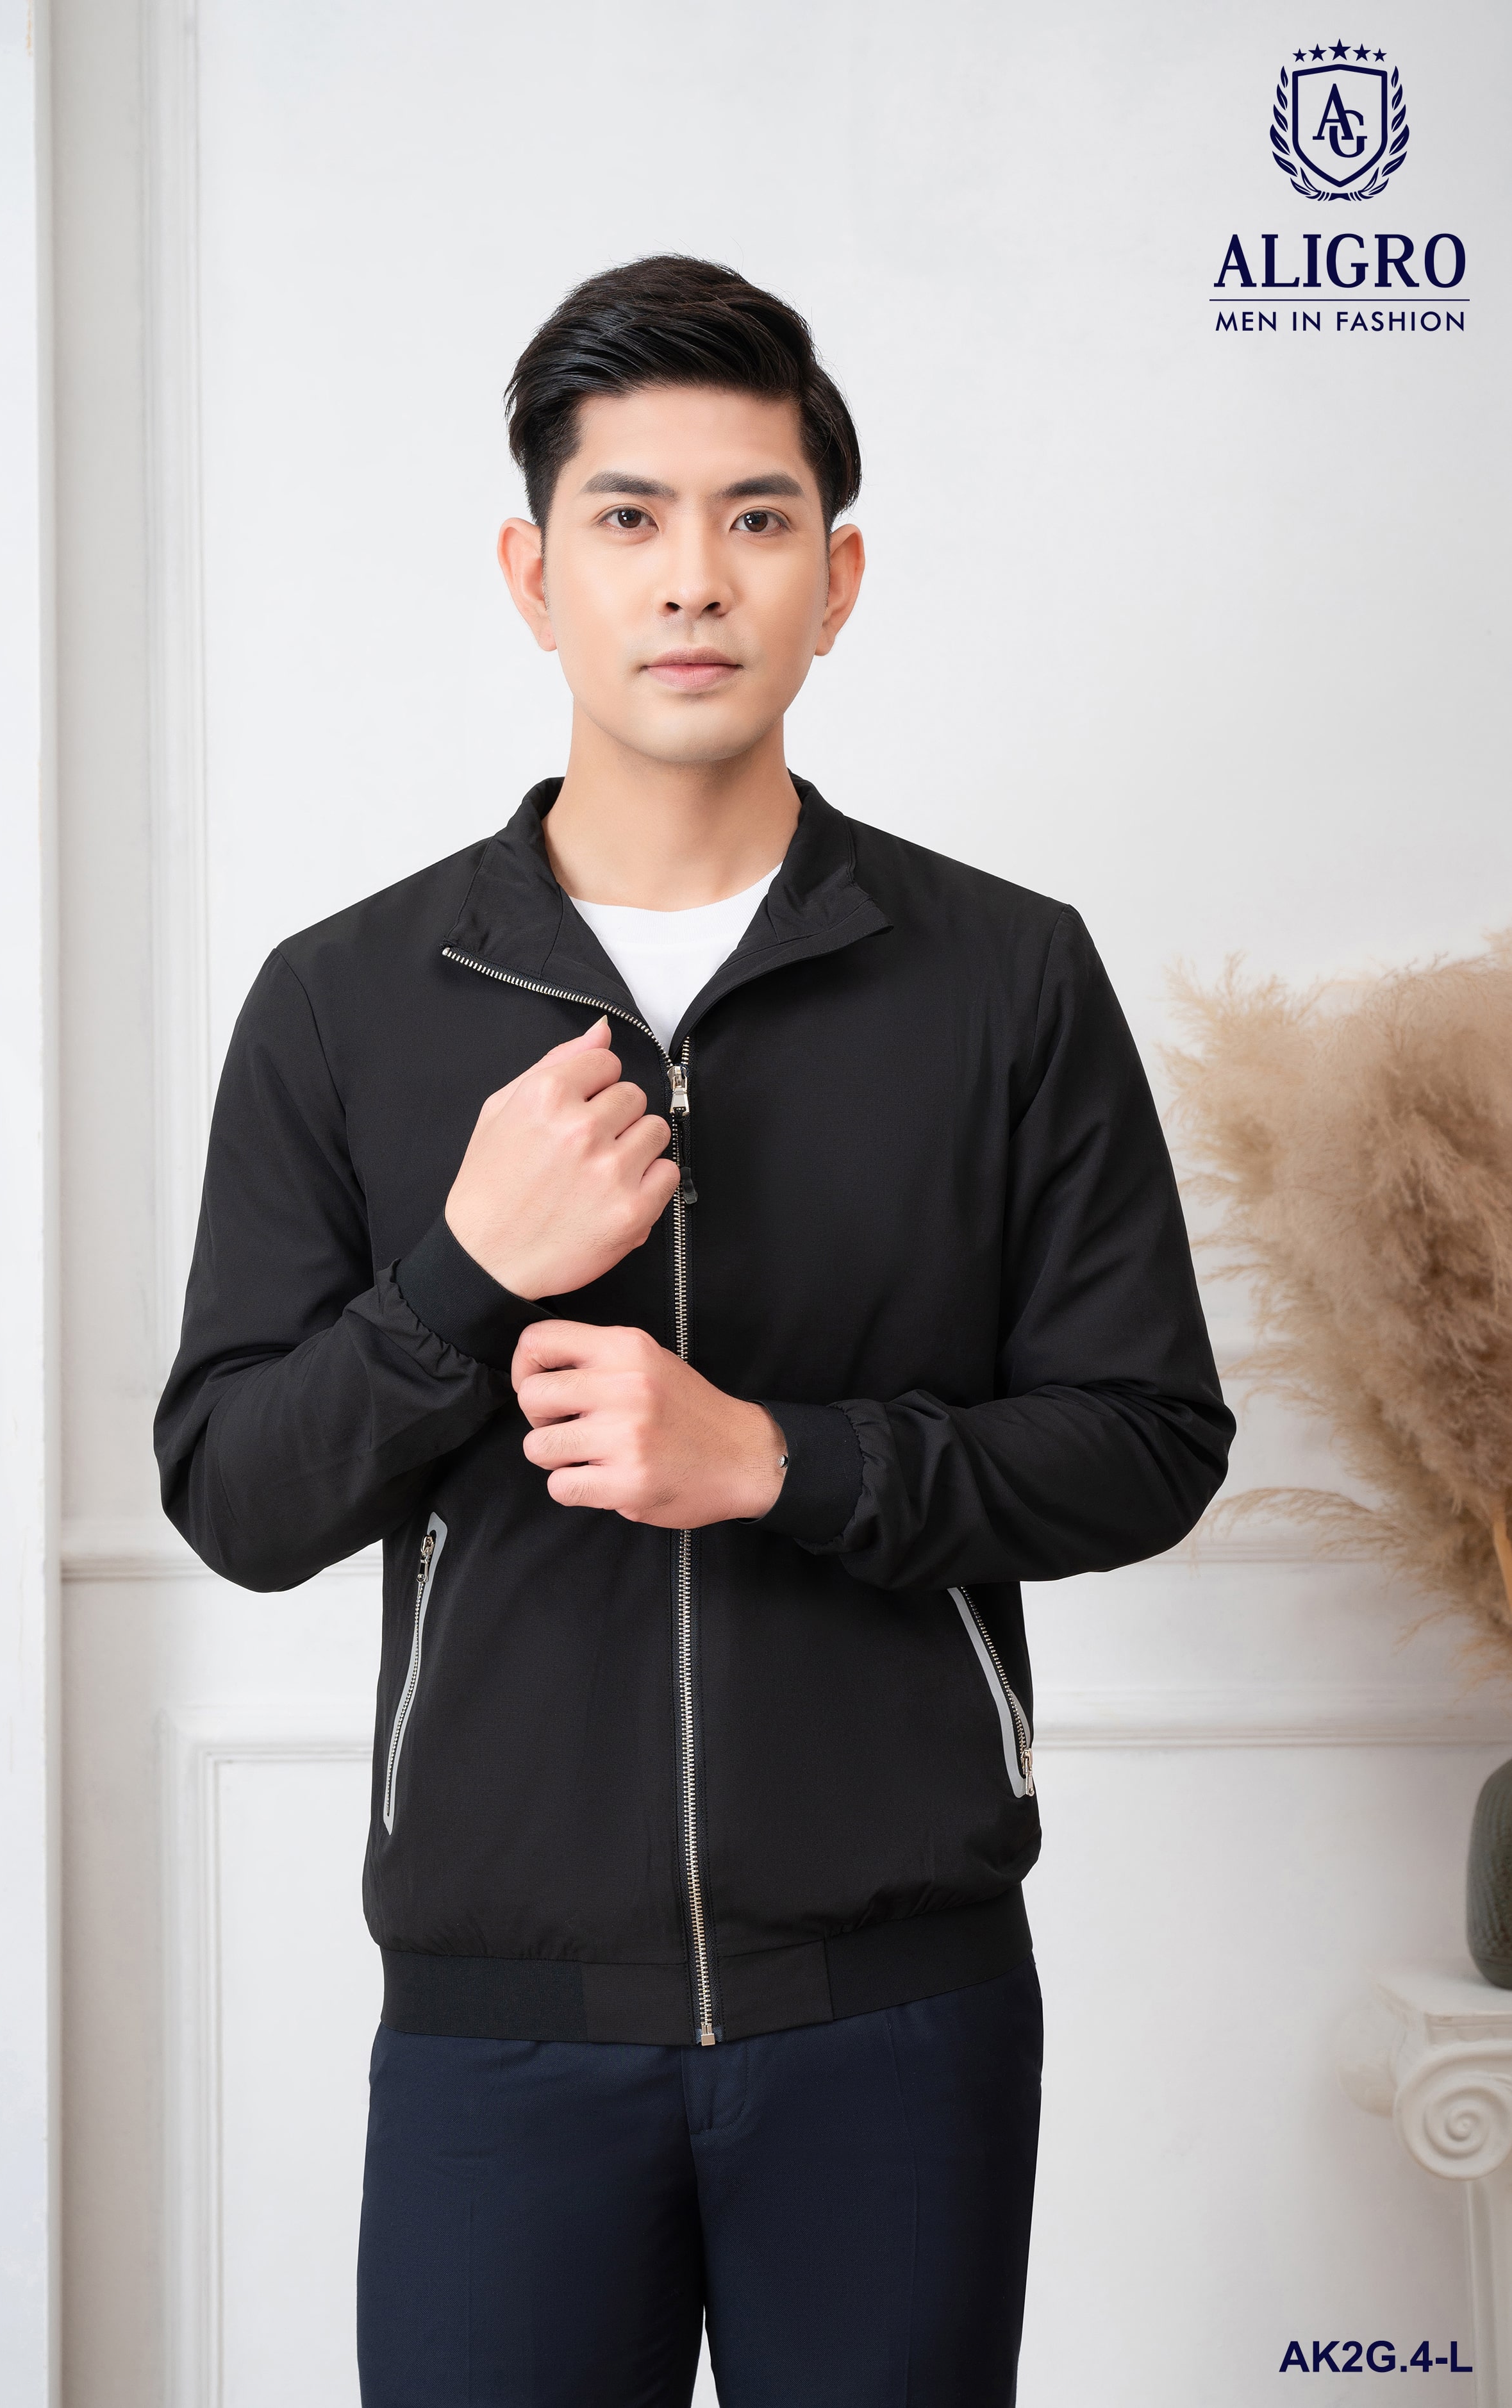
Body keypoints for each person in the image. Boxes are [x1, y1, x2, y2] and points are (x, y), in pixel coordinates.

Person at [154, 254, 1233, 2408]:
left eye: (754, 519)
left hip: (897, 2012)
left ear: (837, 581)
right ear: (531, 576)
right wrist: (461, 1275)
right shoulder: (345, 1001)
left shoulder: (1006, 977)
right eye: (627, 517)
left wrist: (773, 1461)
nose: (690, 579)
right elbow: (236, 1500)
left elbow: (1144, 1439)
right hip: (497, 2028)